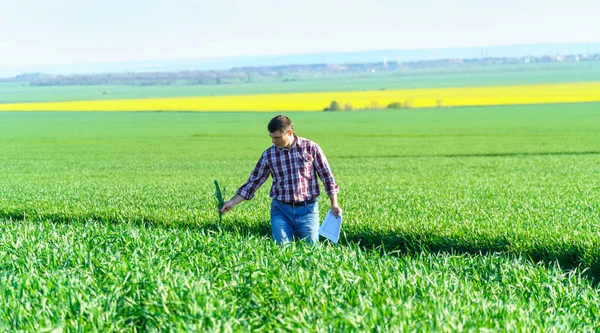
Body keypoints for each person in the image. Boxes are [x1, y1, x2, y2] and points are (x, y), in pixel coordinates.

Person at [220, 115, 341, 244]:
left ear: (289, 132)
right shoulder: (269, 154)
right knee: (281, 251)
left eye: (277, 137)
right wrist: (232, 202)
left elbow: (327, 177)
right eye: (271, 137)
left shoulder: (311, 148)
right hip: (280, 210)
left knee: (311, 250)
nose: (273, 141)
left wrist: (334, 204)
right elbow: (253, 182)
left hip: (308, 210)